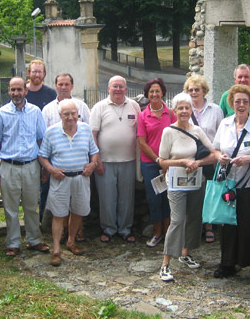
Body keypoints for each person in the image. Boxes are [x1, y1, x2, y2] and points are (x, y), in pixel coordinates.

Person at [212, 84, 250, 284]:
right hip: (228, 184)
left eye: (245, 101)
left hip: (249, 185)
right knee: (227, 223)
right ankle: (227, 263)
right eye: (237, 101)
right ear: (232, 103)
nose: (241, 105)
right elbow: (215, 149)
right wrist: (219, 157)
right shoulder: (225, 124)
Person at [157, 93, 216, 282]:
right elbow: (162, 162)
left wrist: (197, 162)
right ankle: (166, 264)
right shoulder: (168, 132)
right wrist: (182, 161)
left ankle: (185, 252)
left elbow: (213, 154)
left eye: (187, 108)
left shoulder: (197, 130)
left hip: (195, 181)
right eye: (180, 108)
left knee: (194, 217)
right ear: (174, 111)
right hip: (175, 182)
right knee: (177, 220)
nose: (184, 111)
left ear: (191, 110)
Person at [0, 76, 49, 256]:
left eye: (19, 89)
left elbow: (41, 140)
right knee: (10, 207)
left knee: (32, 205)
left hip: (31, 165)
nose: (16, 93)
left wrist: (44, 166)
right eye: (12, 90)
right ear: (8, 91)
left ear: (26, 91)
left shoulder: (36, 112)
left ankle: (34, 240)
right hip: (9, 166)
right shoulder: (1, 113)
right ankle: (13, 242)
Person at [39, 99, 99, 266]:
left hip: (81, 178)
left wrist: (92, 164)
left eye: (74, 113)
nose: (71, 117)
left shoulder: (86, 130)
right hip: (61, 179)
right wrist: (52, 170)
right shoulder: (51, 132)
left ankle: (71, 241)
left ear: (78, 114)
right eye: (66, 114)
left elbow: (94, 152)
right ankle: (56, 249)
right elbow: (42, 156)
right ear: (60, 115)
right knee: (58, 214)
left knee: (78, 211)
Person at [90, 75, 140, 243]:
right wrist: (97, 160)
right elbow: (93, 135)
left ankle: (125, 228)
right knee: (107, 197)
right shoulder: (99, 107)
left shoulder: (134, 106)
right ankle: (109, 228)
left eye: (121, 86)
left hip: (128, 160)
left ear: (126, 89)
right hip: (106, 161)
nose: (118, 89)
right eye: (114, 86)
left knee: (127, 197)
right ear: (109, 89)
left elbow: (141, 131)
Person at [41, 73, 91, 241]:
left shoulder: (82, 106)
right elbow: (44, 138)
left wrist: (93, 162)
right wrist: (48, 168)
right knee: (59, 205)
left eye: (66, 84)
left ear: (72, 86)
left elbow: (89, 136)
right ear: (55, 86)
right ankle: (60, 234)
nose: (63, 87)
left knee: (78, 204)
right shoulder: (48, 109)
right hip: (57, 164)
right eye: (60, 84)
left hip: (78, 166)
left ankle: (76, 232)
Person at [184, 74, 223, 244]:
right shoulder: (184, 109)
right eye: (190, 90)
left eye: (197, 89)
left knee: (208, 193)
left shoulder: (215, 110)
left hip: (209, 158)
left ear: (204, 91)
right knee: (191, 194)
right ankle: (192, 228)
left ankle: (208, 226)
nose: (193, 92)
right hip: (189, 157)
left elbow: (221, 134)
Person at [137, 78, 175, 248]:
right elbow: (142, 143)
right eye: (151, 91)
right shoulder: (143, 115)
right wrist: (157, 159)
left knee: (169, 198)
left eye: (157, 91)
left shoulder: (171, 114)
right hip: (150, 163)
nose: (154, 94)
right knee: (154, 199)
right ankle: (157, 232)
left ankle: (168, 232)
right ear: (147, 94)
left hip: (170, 163)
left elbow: (176, 137)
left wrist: (168, 161)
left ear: (163, 93)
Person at [25, 59, 57, 225]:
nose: (36, 74)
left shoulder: (51, 93)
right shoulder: (23, 92)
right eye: (34, 71)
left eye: (39, 71)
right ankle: (29, 219)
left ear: (44, 74)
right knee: (29, 186)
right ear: (28, 73)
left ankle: (43, 218)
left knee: (45, 184)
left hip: (45, 145)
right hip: (27, 146)